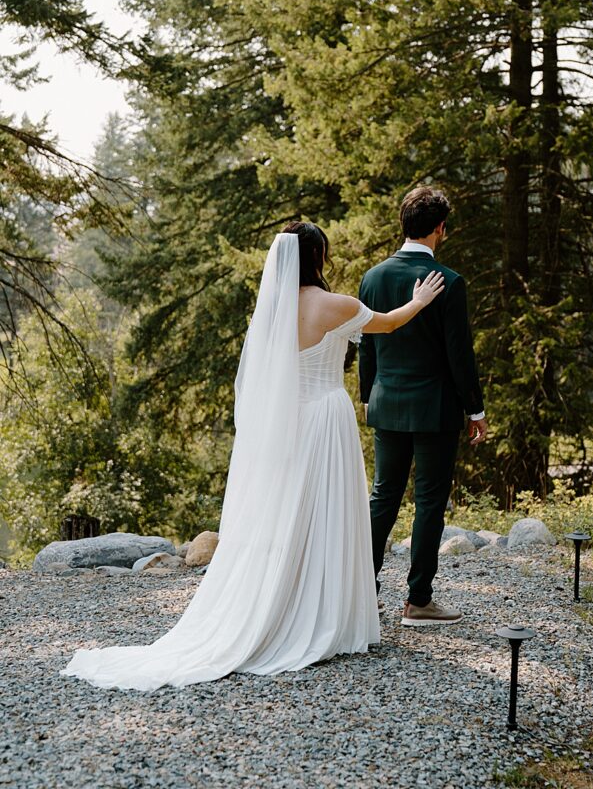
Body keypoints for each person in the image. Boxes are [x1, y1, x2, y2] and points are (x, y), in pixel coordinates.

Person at [61, 222, 444, 691]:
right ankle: (321, 614)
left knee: (291, 515)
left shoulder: (273, 312)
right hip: (326, 418)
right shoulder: (335, 305)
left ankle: (286, 604)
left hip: (291, 423)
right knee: (326, 515)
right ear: (317, 257)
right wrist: (420, 301)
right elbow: (388, 322)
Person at [359, 187, 487, 627]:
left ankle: (361, 592)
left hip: (387, 403)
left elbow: (368, 346)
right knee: (429, 501)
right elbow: (459, 354)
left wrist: (366, 395)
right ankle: (418, 601)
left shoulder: (372, 278)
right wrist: (476, 410)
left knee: (382, 498)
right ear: (439, 228)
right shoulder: (449, 282)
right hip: (435, 408)